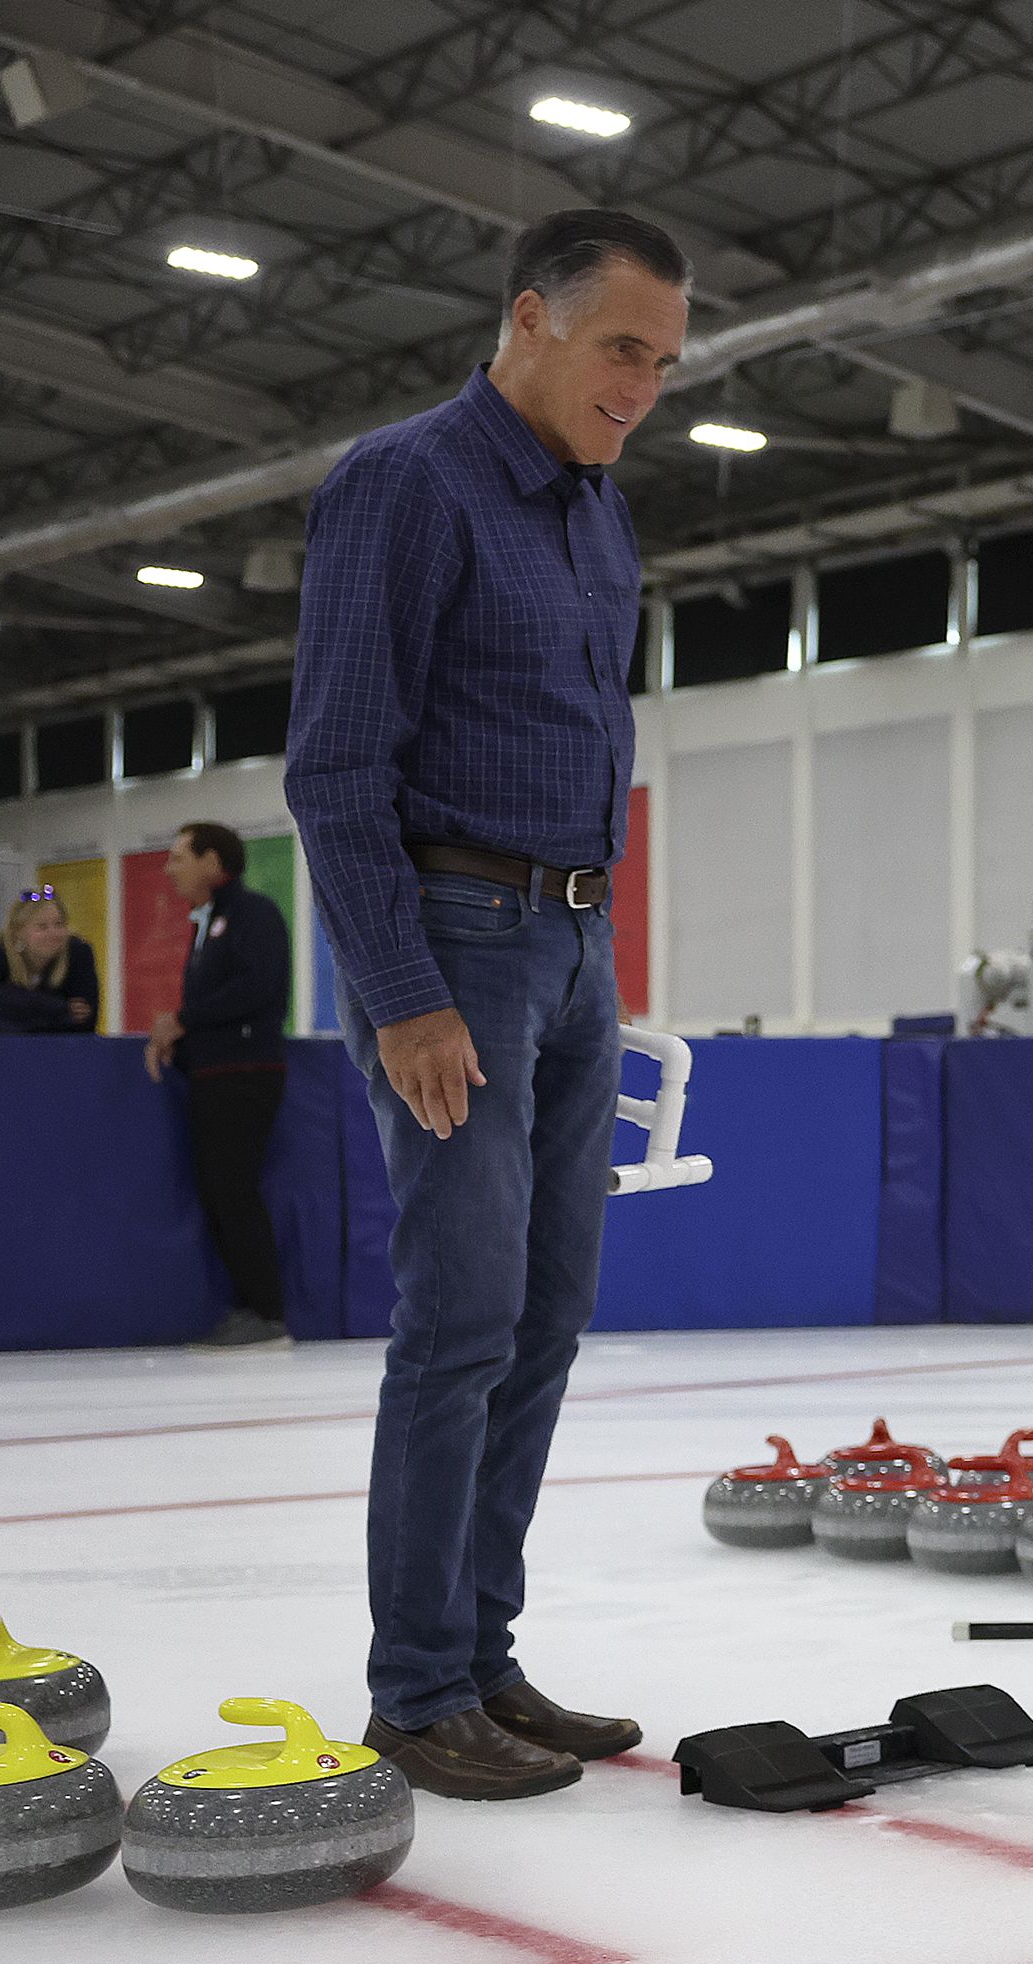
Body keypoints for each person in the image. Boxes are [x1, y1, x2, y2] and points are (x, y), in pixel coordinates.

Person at [283, 208, 688, 1802]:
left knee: (543, 1322)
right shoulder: (406, 484)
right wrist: (402, 995)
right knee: (455, 1326)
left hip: (573, 945)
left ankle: (485, 1657)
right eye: (620, 349)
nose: (643, 385)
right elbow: (331, 767)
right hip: (458, 941)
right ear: (529, 320)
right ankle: (416, 1687)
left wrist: (595, 953)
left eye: (663, 361)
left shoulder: (599, 514)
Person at [144, 825, 292, 1349]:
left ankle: (268, 1312)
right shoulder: (207, 924)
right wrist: (178, 1044)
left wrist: (181, 1021)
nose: (169, 870)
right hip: (214, 1074)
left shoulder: (253, 915)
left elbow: (257, 987)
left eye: (179, 857)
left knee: (235, 1189)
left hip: (246, 1075)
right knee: (217, 1191)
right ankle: (249, 1306)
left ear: (213, 860)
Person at [0, 886, 100, 1033]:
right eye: (42, 927)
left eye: (59, 924)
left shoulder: (78, 953)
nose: (53, 933)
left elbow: (84, 1022)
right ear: (18, 932)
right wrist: (61, 1009)